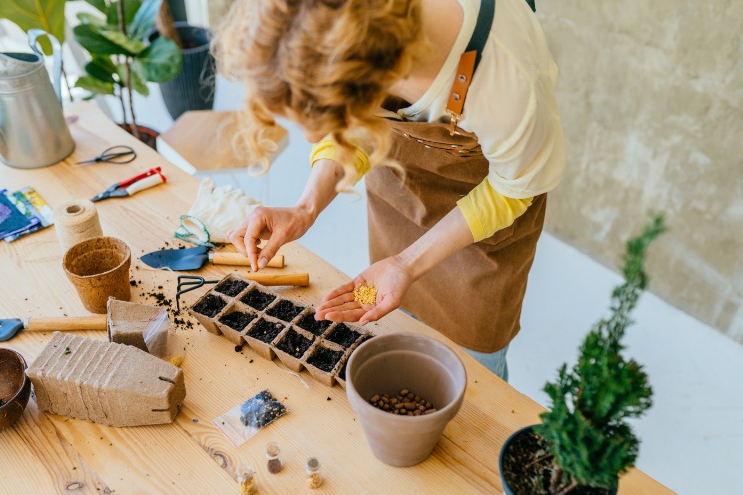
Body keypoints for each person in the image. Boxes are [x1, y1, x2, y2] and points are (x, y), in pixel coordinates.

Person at [216, 0, 565, 381]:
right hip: (394, 221)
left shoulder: (503, 77)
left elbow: (513, 188)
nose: (314, 137)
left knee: (475, 380)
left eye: (322, 114)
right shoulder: (361, 35)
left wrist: (408, 264)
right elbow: (359, 129)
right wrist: (306, 206)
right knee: (392, 323)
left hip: (481, 254)